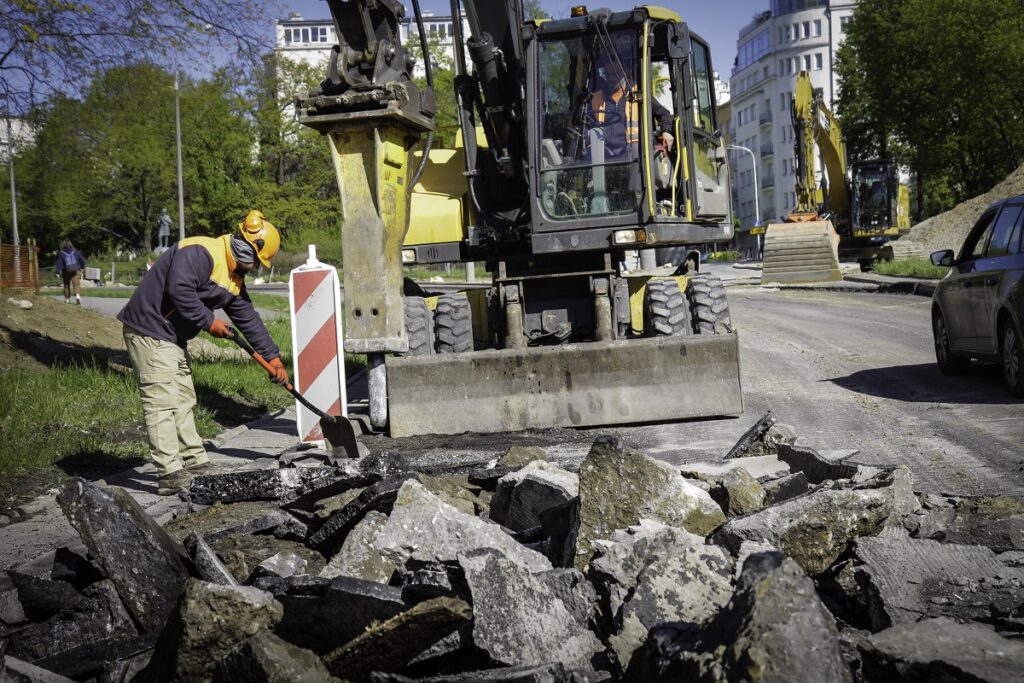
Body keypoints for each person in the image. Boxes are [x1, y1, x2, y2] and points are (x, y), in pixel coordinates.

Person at [117, 210, 289, 495]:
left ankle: (194, 463)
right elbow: (179, 289)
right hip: (149, 329)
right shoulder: (200, 252)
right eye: (256, 263)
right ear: (247, 248)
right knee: (162, 401)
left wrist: (273, 358)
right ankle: (169, 472)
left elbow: (248, 318)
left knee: (183, 399)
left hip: (172, 338)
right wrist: (209, 322)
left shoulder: (233, 276)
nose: (255, 269)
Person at [589, 56, 674, 159]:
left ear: (625, 73)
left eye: (614, 74)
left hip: (636, 154)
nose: (611, 78)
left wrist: (666, 132)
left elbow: (664, 114)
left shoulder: (639, 95)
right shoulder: (598, 99)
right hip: (606, 154)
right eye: (608, 75)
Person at [55, 240, 87, 304]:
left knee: (66, 285)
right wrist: (82, 268)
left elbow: (59, 263)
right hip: (76, 270)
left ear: (64, 245)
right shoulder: (76, 251)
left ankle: (67, 299)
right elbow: (83, 261)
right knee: (76, 284)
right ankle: (77, 296)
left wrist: (57, 272)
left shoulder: (61, 253)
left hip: (66, 271)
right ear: (71, 244)